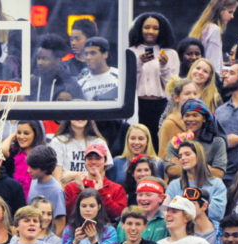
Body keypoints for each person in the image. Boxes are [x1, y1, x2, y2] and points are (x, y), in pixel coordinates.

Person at [129, 13, 180, 149]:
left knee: (160, 143)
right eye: (146, 27)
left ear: (161, 30)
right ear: (140, 29)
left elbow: (173, 86)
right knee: (139, 143)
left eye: (155, 28)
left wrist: (164, 67)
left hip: (161, 106)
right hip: (137, 105)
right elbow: (127, 82)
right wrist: (139, 64)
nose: (150, 31)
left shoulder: (170, 54)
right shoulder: (131, 52)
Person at [163, 99, 227, 181]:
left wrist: (185, 164)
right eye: (187, 115)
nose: (190, 119)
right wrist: (207, 168)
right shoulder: (176, 142)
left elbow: (218, 174)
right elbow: (171, 171)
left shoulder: (217, 142)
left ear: (204, 118)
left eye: (195, 115)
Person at [63, 142, 127, 222]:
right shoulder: (71, 187)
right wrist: (80, 191)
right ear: (85, 161)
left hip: (106, 232)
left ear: (105, 161)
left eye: (98, 158)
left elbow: (119, 215)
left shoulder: (117, 189)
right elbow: (68, 215)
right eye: (90, 158)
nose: (93, 162)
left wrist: (101, 193)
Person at [167, 140, 227, 224]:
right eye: (180, 156)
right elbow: (168, 212)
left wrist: (184, 209)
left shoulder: (216, 184)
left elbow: (217, 214)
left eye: (187, 154)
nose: (182, 158)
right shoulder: (174, 185)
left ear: (199, 156)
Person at [29, 33, 84, 102]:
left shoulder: (71, 85)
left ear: (57, 60)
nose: (40, 63)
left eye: (44, 59)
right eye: (38, 58)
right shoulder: (32, 83)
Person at [188, 0, 238, 74]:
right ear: (220, 10)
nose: (232, 16)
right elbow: (213, 63)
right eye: (230, 12)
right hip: (209, 78)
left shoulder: (201, 27)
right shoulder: (215, 30)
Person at [158, 78, 200, 158]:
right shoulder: (169, 124)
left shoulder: (201, 121)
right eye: (187, 94)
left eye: (195, 94)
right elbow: (163, 156)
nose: (192, 97)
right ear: (176, 98)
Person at [77, 36, 119, 101]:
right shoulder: (80, 84)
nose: (88, 57)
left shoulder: (120, 76)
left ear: (105, 54)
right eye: (86, 54)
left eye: (93, 53)